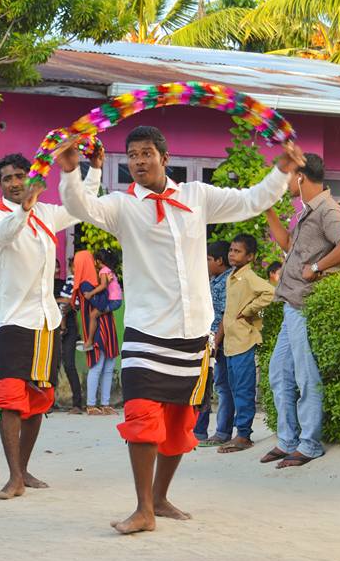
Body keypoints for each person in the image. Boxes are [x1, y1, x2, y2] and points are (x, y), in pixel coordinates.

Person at [57, 124, 302, 533]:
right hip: (145, 329)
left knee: (180, 422)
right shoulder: (121, 206)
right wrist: (71, 172)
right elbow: (82, 208)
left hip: (193, 332)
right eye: (132, 154)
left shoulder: (196, 196)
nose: (138, 161)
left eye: (146, 153)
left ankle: (160, 497)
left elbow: (252, 200)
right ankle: (142, 509)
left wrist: (279, 171)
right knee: (140, 415)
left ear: (164, 158)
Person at [0, 151, 102, 499]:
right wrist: (25, 207)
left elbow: (81, 205)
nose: (16, 182)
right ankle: (13, 476)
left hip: (47, 319)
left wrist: (92, 168)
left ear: (30, 176)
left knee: (39, 399)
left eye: (21, 175)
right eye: (8, 178)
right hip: (13, 321)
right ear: (1, 184)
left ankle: (23, 470)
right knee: (10, 399)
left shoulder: (48, 212)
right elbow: (7, 231)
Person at [260, 153, 340, 468]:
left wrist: (317, 266)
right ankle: (288, 441)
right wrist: (267, 207)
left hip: (304, 304)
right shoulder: (305, 212)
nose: (284, 183)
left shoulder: (328, 210)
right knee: (279, 374)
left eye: (286, 176)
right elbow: (288, 245)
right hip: (290, 304)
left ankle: (310, 444)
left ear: (300, 176)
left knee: (304, 374)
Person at [216, 235, 275, 452]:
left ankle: (243, 436)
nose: (232, 254)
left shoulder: (248, 276)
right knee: (233, 388)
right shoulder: (232, 276)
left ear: (250, 256)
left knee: (243, 390)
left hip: (243, 342)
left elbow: (270, 291)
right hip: (230, 343)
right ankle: (237, 432)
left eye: (237, 251)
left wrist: (249, 310)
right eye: (231, 250)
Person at [72, 250, 119, 416]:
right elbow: (101, 303)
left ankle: (105, 404)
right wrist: (108, 286)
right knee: (97, 365)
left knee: (108, 366)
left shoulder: (97, 281)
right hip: (98, 328)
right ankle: (91, 404)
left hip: (107, 326)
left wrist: (105, 285)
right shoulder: (86, 285)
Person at [194, 240, 231, 442]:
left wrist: (216, 341)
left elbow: (225, 313)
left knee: (222, 387)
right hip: (208, 340)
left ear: (220, 260)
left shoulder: (226, 281)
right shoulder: (213, 279)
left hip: (219, 343)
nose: (205, 263)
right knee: (204, 385)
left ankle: (222, 432)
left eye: (208, 259)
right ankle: (199, 431)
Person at [78, 249, 122, 352]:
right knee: (96, 315)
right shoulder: (108, 269)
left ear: (98, 261)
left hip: (113, 301)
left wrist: (90, 293)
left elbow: (103, 285)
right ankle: (92, 341)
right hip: (116, 300)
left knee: (93, 315)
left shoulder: (103, 271)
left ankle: (89, 342)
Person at [55, 257, 84, 414]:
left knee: (69, 365)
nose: (56, 271)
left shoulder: (68, 282)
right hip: (52, 327)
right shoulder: (44, 285)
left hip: (69, 328)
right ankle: (48, 401)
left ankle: (77, 404)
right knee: (52, 366)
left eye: (57, 267)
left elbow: (72, 302)